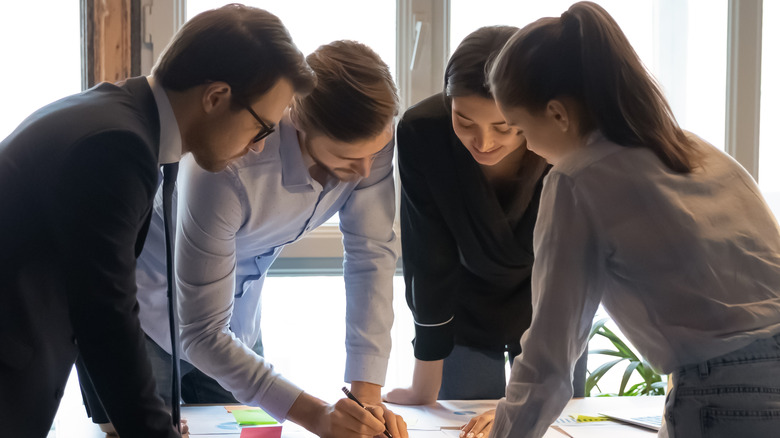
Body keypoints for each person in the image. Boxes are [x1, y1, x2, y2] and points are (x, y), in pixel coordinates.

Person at [460, 2, 780, 438]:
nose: (526, 147)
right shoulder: (697, 150)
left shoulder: (577, 179)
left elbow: (550, 361)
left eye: (518, 127)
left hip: (725, 395)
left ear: (557, 113)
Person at [0, 4, 315, 438]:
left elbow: (90, 287)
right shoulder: (118, 147)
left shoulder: (121, 120)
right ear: (216, 97)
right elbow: (105, 313)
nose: (259, 148)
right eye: (262, 128)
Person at [128, 40, 403, 438]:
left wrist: (366, 403)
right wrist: (318, 416)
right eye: (348, 159)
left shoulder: (369, 145)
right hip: (148, 312)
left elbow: (371, 255)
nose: (365, 172)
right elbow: (202, 333)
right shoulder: (225, 166)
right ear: (302, 124)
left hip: (236, 321)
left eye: (374, 155)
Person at [384, 26, 586, 405]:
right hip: (463, 305)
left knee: (556, 421)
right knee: (463, 419)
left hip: (553, 295)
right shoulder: (422, 132)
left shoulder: (563, 133)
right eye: (464, 122)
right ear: (448, 103)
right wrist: (422, 387)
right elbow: (428, 258)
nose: (485, 142)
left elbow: (575, 258)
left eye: (504, 127)